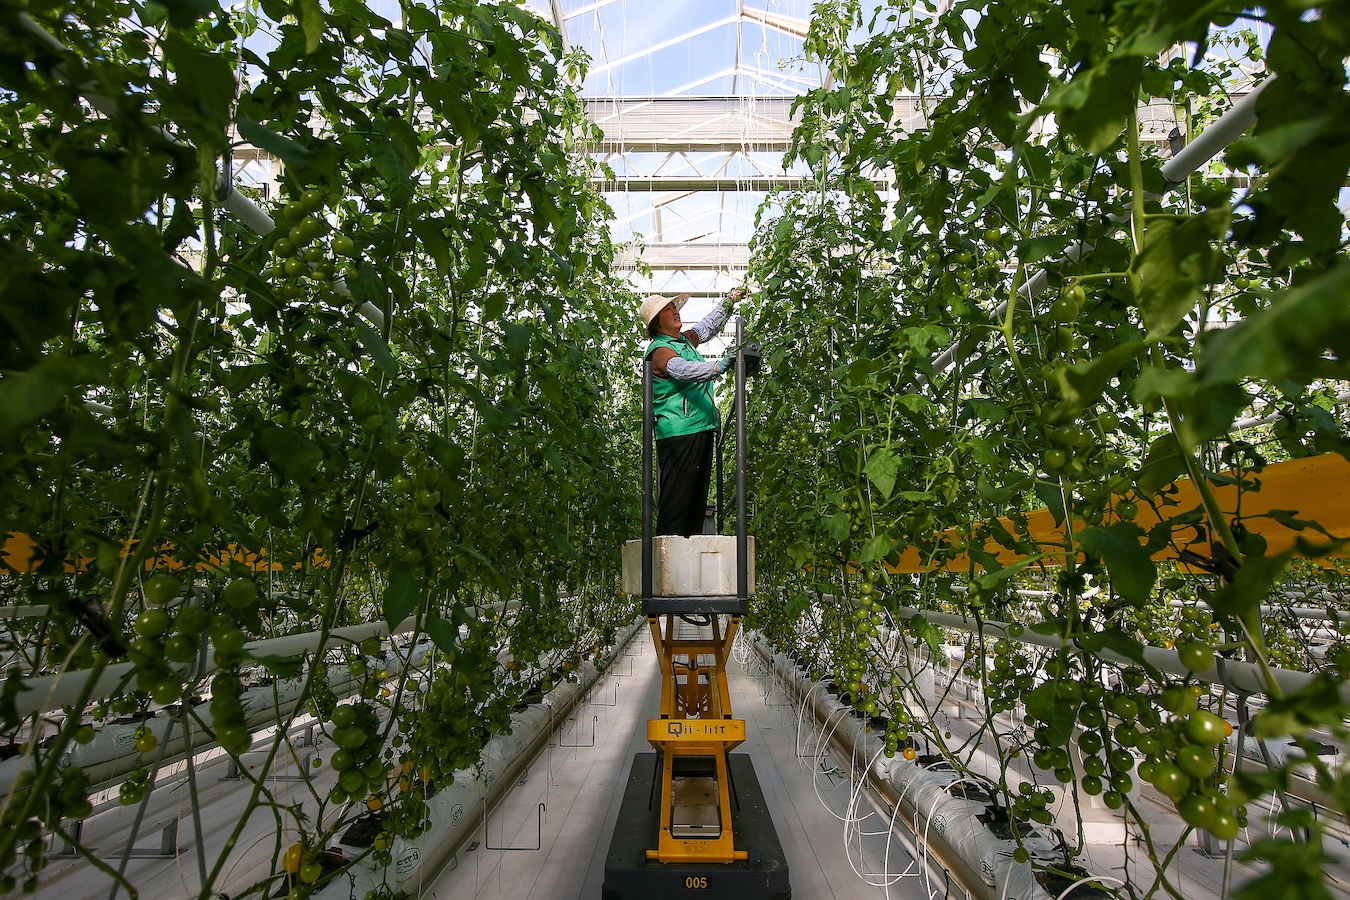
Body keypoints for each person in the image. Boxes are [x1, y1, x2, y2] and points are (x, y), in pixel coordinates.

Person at [639, 288, 744, 537]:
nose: (675, 311)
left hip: (699, 428)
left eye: (675, 307)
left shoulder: (683, 340)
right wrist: (717, 366)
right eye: (668, 309)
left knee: (695, 503)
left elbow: (707, 327)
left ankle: (687, 560)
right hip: (679, 433)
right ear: (656, 323)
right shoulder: (660, 350)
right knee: (677, 503)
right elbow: (681, 370)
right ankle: (666, 566)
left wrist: (730, 301)